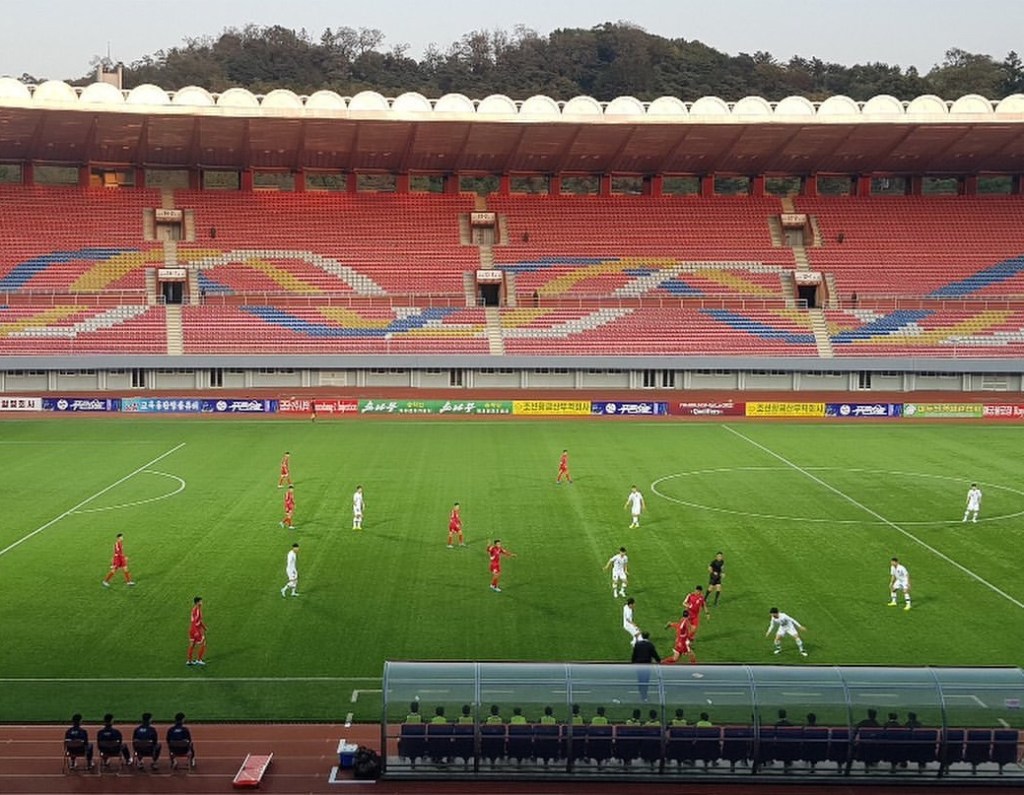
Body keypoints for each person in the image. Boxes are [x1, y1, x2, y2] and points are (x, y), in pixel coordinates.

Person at [631, 630, 660, 701]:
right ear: (648, 637)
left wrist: (633, 662)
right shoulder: (650, 645)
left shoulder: (637, 644)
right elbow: (655, 655)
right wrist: (658, 661)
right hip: (647, 666)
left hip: (639, 665)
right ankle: (644, 695)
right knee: (646, 680)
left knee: (640, 679)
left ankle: (641, 693)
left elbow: (634, 655)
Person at [186, 596, 207, 666]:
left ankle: (189, 661)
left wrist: (203, 627)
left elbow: (199, 621)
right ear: (197, 602)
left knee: (192, 645)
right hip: (196, 630)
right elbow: (195, 621)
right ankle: (199, 660)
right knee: (203, 643)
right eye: (201, 601)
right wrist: (196, 632)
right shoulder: (197, 610)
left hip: (191, 629)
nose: (202, 602)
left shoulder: (194, 609)